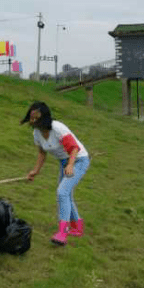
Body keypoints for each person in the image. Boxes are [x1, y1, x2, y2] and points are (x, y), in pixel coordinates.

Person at [20, 101, 90, 246]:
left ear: (44, 117)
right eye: (31, 117)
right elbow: (41, 153)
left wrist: (70, 165)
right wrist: (35, 171)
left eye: (35, 117)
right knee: (66, 194)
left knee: (62, 192)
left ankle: (62, 233)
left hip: (78, 160)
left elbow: (74, 148)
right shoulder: (37, 133)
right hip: (64, 162)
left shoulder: (57, 128)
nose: (32, 121)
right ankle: (77, 228)